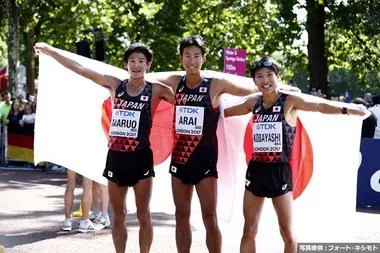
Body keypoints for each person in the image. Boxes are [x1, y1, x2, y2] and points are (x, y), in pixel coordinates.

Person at [152, 36, 298, 253]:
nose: (192, 61)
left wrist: (281, 88)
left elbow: (249, 87)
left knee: (209, 217)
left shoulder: (215, 84)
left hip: (205, 161)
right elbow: (144, 77)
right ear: (180, 57)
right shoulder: (175, 81)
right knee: (181, 216)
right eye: (187, 56)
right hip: (180, 160)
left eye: (196, 56)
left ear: (204, 58)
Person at [34, 41, 174, 253]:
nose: (136, 65)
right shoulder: (115, 85)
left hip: (141, 158)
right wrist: (52, 52)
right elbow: (81, 69)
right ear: (126, 64)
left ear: (148, 64)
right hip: (116, 158)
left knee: (144, 214)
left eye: (141, 61)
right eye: (132, 61)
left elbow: (189, 103)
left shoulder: (157, 90)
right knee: (119, 214)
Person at [223, 56, 367, 253]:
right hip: (256, 171)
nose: (265, 80)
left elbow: (319, 106)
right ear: (254, 81)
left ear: (277, 77)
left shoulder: (289, 101)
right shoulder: (253, 103)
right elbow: (223, 113)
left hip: (279, 171)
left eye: (269, 75)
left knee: (287, 232)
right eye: (260, 77)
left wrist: (348, 109)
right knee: (249, 229)